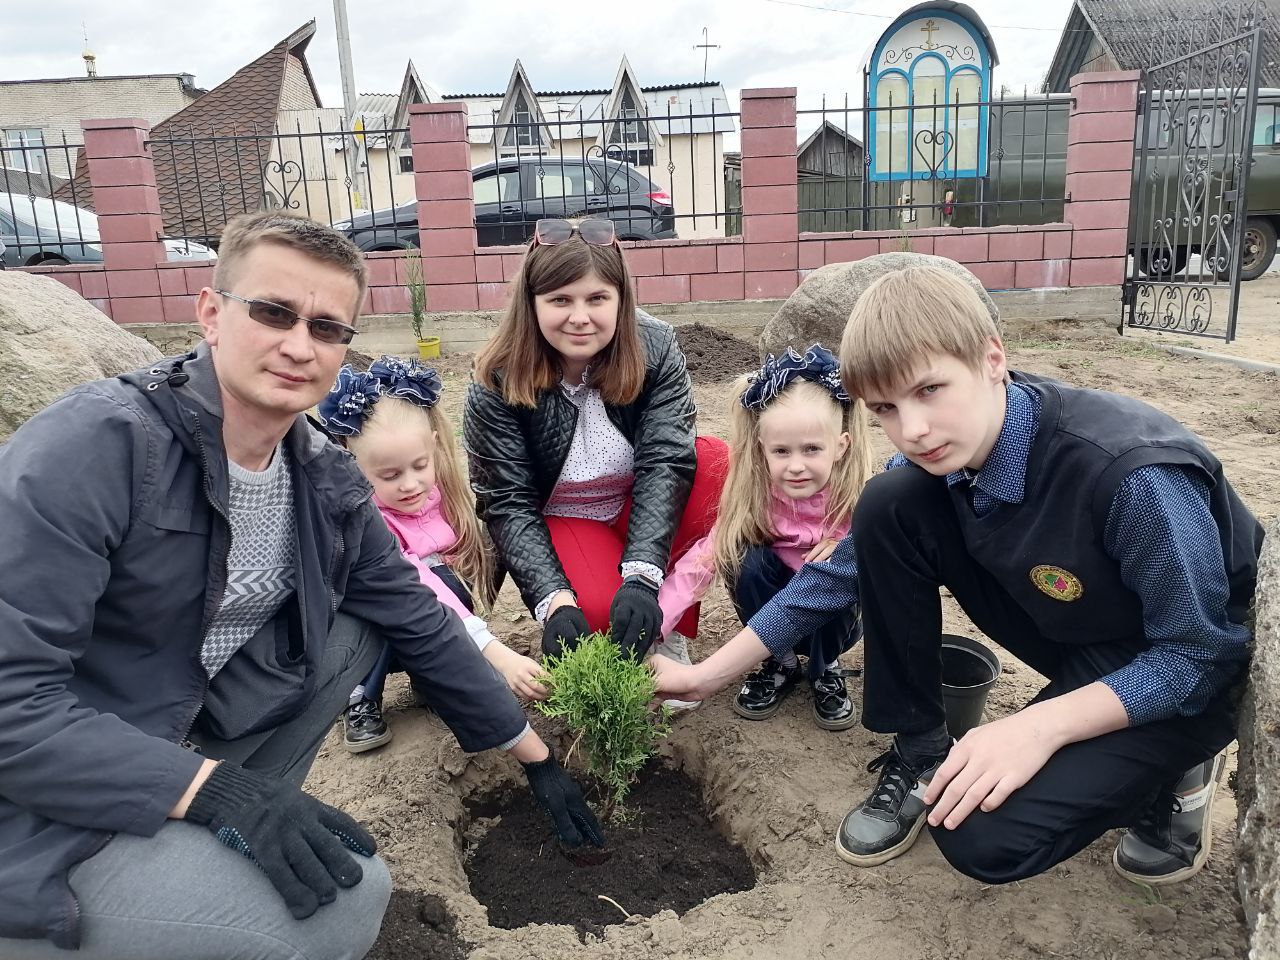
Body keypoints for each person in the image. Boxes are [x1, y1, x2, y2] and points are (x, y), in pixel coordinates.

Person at [0, 211, 601, 960]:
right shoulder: (97, 447)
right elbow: (11, 708)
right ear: (211, 313)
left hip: (171, 725)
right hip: (43, 800)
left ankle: (218, 833)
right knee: (345, 906)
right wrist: (210, 791)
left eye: (325, 327)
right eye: (274, 312)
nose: (297, 344)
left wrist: (532, 756)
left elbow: (416, 616)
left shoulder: (319, 473)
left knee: (354, 629)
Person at [654, 265, 1261, 887]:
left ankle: (1173, 775)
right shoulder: (940, 463)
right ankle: (920, 754)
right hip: (1076, 630)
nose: (912, 430)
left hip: (1177, 668)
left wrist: (1035, 727)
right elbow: (833, 577)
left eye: (929, 390)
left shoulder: (1130, 475)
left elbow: (1199, 655)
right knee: (888, 502)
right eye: (885, 408)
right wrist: (705, 675)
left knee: (981, 837)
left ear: (992, 358)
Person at [463, 216, 728, 666]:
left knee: (715, 462)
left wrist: (643, 578)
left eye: (597, 298)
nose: (580, 317)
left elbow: (667, 461)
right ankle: (610, 609)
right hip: (565, 516)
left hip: (633, 503)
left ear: (620, 300)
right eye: (560, 299)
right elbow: (507, 501)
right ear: (532, 303)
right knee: (598, 614)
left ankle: (663, 625)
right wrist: (555, 600)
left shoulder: (657, 347)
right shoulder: (497, 377)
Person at [318, 356, 548, 753]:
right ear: (353, 465)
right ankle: (359, 696)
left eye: (419, 466)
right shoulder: (366, 520)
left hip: (420, 611)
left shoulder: (438, 496)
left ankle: (432, 678)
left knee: (449, 584)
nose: (409, 485)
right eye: (389, 476)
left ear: (435, 448)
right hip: (373, 616)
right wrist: (493, 651)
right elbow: (414, 589)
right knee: (408, 602)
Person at [656, 345, 872, 730]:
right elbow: (704, 558)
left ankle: (826, 669)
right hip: (769, 618)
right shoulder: (756, 497)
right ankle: (780, 661)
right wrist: (657, 620)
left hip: (833, 624)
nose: (796, 465)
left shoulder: (858, 499)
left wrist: (846, 548)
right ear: (762, 450)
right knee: (742, 556)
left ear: (840, 446)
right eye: (781, 451)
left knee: (844, 571)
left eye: (811, 449)